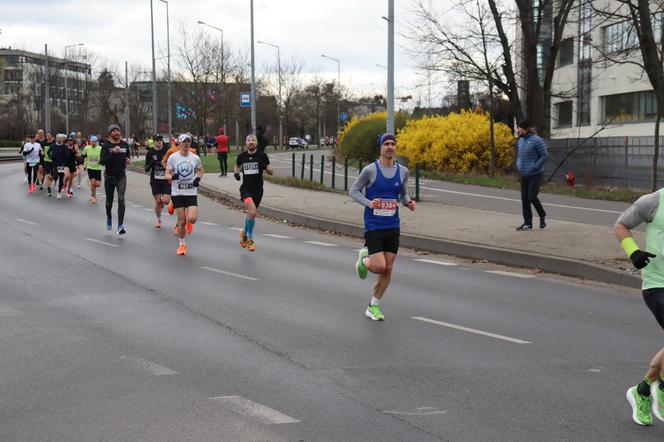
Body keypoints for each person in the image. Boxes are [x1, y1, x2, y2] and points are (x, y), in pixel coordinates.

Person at [350, 133, 416, 321]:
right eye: (386, 144)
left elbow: (402, 194)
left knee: (388, 268)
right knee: (379, 266)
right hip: (374, 225)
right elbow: (353, 191)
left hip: (392, 224)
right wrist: (369, 203)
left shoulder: (402, 171)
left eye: (392, 144)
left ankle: (373, 306)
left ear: (396, 148)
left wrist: (408, 202)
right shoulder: (370, 170)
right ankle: (364, 260)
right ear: (380, 148)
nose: (390, 147)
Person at [615, 191, 664, 426]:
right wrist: (633, 252)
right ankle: (662, 389)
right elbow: (621, 225)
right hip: (657, 285)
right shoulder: (653, 202)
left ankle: (643, 391)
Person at [165, 133, 203, 255]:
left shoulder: (195, 158)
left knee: (192, 219)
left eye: (188, 142)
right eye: (184, 142)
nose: (186, 144)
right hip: (177, 192)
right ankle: (182, 245)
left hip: (191, 191)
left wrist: (197, 178)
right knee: (181, 221)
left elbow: (201, 170)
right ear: (179, 143)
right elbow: (167, 173)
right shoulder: (173, 158)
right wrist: (172, 176)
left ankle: (175, 207)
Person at [234, 133, 273, 252]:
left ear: (256, 143)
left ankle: (244, 233)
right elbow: (237, 166)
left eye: (253, 140)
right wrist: (236, 173)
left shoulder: (262, 156)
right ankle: (250, 239)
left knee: (251, 214)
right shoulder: (241, 156)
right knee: (252, 211)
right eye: (248, 140)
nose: (250, 142)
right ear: (246, 143)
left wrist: (265, 166)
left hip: (258, 190)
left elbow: (271, 171)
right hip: (246, 189)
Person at [515, 119, 548, 231]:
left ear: (524, 129)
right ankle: (528, 223)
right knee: (524, 199)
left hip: (535, 174)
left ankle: (542, 215)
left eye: (519, 127)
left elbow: (544, 155)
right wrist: (518, 165)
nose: (517, 129)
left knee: (532, 197)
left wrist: (535, 167)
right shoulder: (520, 141)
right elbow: (519, 156)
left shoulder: (537, 140)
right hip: (524, 174)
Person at [100, 124, 131, 234]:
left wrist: (128, 160)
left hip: (121, 176)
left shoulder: (124, 144)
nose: (117, 132)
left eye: (118, 131)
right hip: (109, 177)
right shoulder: (106, 146)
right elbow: (102, 162)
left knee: (121, 199)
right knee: (109, 202)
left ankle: (120, 226)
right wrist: (113, 152)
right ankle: (109, 217)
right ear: (110, 134)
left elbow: (127, 156)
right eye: (114, 131)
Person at [144, 134, 171, 228]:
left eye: (160, 140)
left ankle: (163, 203)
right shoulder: (150, 153)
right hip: (155, 180)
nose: (159, 142)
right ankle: (159, 220)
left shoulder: (167, 150)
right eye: (157, 140)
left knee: (167, 201)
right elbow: (146, 169)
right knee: (158, 200)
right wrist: (151, 164)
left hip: (166, 179)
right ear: (154, 142)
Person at [82, 136, 102, 203]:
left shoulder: (100, 148)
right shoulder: (87, 148)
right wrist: (83, 164)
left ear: (97, 142)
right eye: (92, 141)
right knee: (93, 183)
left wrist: (102, 161)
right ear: (90, 142)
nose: (93, 143)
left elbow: (104, 156)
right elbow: (83, 155)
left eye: (95, 142)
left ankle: (93, 191)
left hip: (98, 168)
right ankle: (94, 197)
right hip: (90, 167)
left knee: (97, 184)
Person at [48, 134, 68, 199]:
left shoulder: (64, 146)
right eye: (58, 138)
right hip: (54, 164)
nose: (59, 139)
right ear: (56, 139)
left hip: (61, 165)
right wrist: (51, 157)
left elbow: (66, 154)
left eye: (60, 138)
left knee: (61, 179)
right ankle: (55, 180)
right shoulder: (53, 145)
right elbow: (48, 152)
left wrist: (65, 162)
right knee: (55, 176)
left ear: (62, 139)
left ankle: (59, 192)